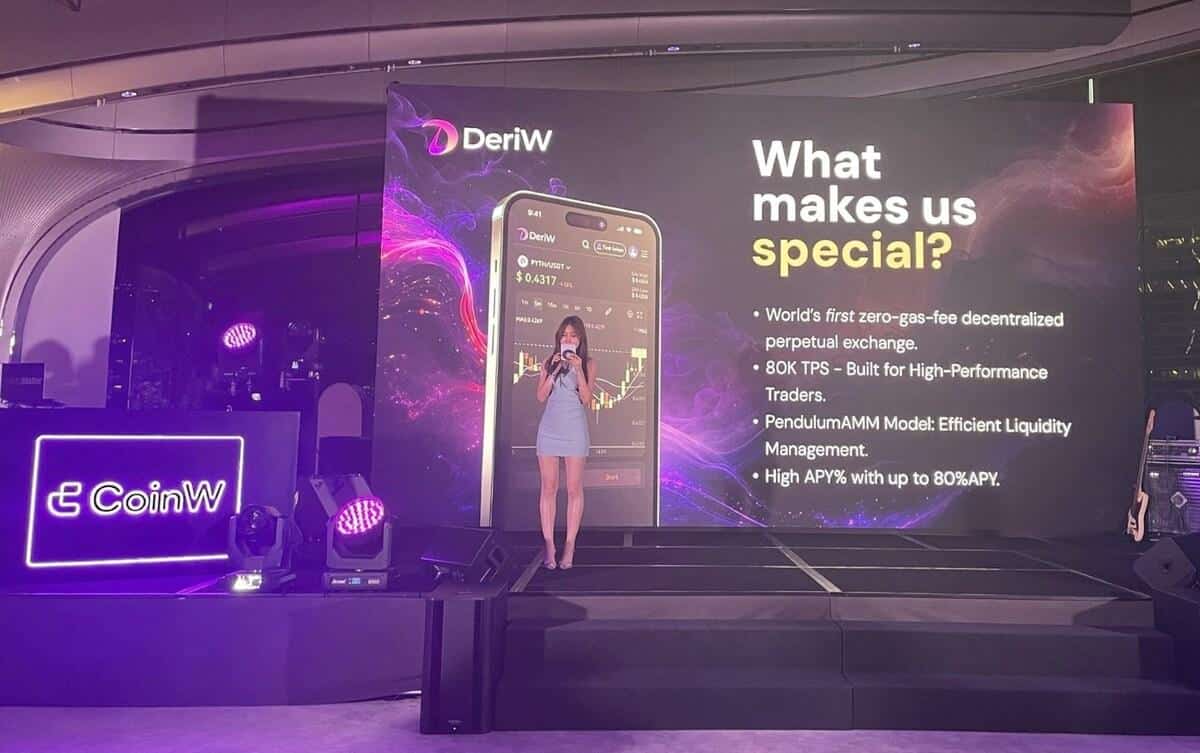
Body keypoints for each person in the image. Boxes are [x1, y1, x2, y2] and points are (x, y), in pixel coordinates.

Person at [535, 315, 596, 570]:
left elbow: (586, 399)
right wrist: (554, 370)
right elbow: (540, 396)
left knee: (573, 489)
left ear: (580, 339)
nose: (568, 339)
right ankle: (549, 545)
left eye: (573, 335)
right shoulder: (549, 361)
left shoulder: (589, 363)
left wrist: (578, 369)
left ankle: (570, 545)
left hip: (574, 429)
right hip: (550, 429)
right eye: (564, 335)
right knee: (548, 488)